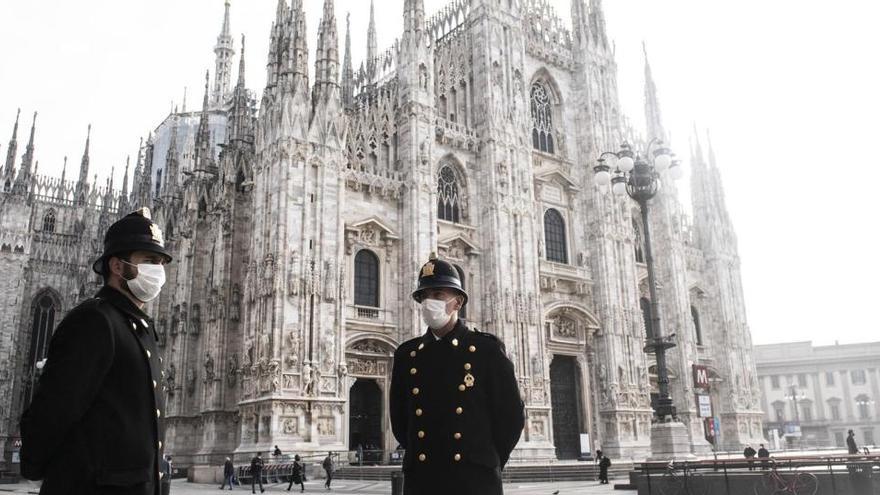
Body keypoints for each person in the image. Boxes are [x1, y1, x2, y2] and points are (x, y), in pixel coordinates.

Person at [19, 208, 173, 495]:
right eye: (150, 260)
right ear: (117, 266)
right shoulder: (95, 321)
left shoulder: (140, 328)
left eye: (161, 262)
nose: (158, 271)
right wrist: (49, 472)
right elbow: (52, 411)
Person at [390, 254, 525, 495]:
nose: (429, 302)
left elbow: (511, 417)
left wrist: (486, 461)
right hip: (423, 480)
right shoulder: (407, 354)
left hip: (473, 481)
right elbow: (400, 421)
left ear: (458, 302)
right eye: (425, 296)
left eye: (438, 295)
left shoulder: (486, 350)